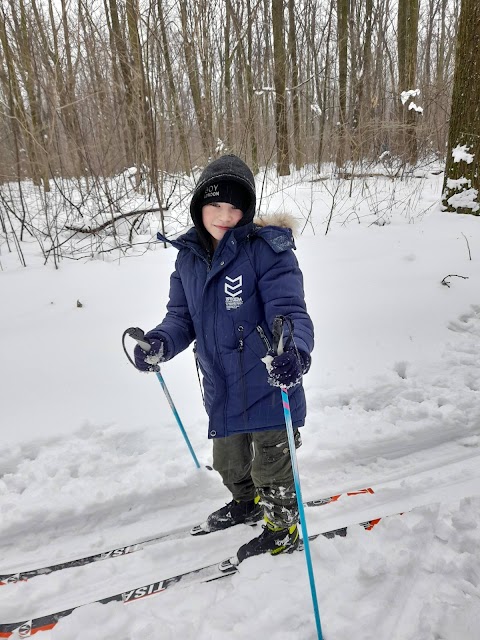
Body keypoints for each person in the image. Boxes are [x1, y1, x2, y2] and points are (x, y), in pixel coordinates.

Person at [134, 154, 314, 563]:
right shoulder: (188, 257)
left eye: (235, 207)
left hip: (270, 379)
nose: (225, 215)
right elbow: (182, 317)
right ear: (200, 206)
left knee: (272, 465)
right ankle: (245, 502)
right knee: (229, 461)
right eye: (216, 205)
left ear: (246, 210)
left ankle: (282, 528)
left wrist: (297, 353)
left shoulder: (268, 251)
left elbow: (291, 310)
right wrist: (161, 342)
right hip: (221, 382)